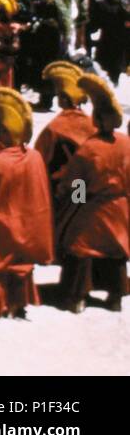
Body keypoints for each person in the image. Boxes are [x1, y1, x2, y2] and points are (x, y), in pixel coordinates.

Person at [0, 88, 53, 322]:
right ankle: (17, 306)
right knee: (20, 262)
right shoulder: (35, 158)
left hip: (0, 230)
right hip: (28, 228)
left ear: (4, 131)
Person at [54, 73, 130, 313]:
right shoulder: (127, 144)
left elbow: (77, 185)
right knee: (116, 252)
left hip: (93, 210)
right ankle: (115, 296)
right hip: (120, 208)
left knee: (80, 247)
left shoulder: (89, 149)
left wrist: (75, 205)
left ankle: (77, 297)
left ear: (97, 118)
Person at [33, 61, 95, 202]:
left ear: (63, 99)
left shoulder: (55, 127)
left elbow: (40, 160)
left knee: (66, 219)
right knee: (77, 212)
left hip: (61, 188)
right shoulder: (92, 122)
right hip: (85, 185)